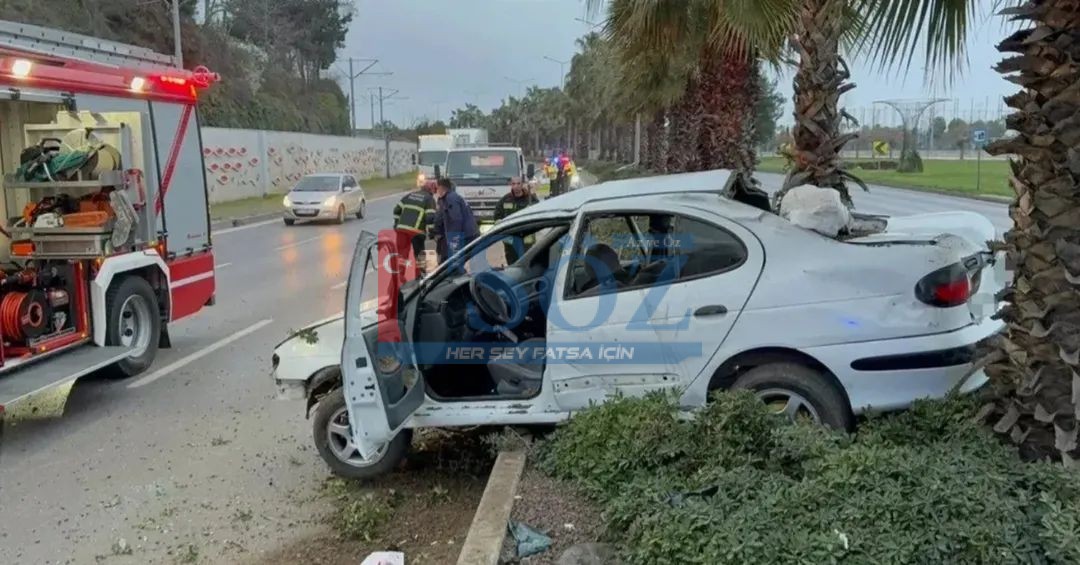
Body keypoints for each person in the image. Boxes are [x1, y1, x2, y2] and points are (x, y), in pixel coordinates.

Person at [392, 180, 437, 274]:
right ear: (432, 190)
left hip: (401, 230)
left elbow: (396, 210)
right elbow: (430, 218)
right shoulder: (429, 199)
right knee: (419, 255)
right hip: (416, 231)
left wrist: (396, 224)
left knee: (402, 255)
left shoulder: (409, 195)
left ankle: (399, 276)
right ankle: (420, 276)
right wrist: (432, 232)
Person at [494, 176, 540, 263]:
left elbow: (540, 214)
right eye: (513, 184)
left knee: (526, 262)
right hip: (510, 240)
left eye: (518, 183)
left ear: (522, 184)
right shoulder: (505, 199)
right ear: (511, 185)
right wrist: (500, 226)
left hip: (526, 239)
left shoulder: (531, 199)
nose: (516, 186)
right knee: (512, 263)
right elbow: (497, 216)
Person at [433, 177, 479, 261]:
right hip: (468, 233)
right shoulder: (452, 196)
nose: (436, 191)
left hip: (465, 235)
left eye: (437, 188)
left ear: (441, 188)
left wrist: (454, 238)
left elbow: (456, 219)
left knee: (456, 261)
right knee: (458, 261)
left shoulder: (450, 199)